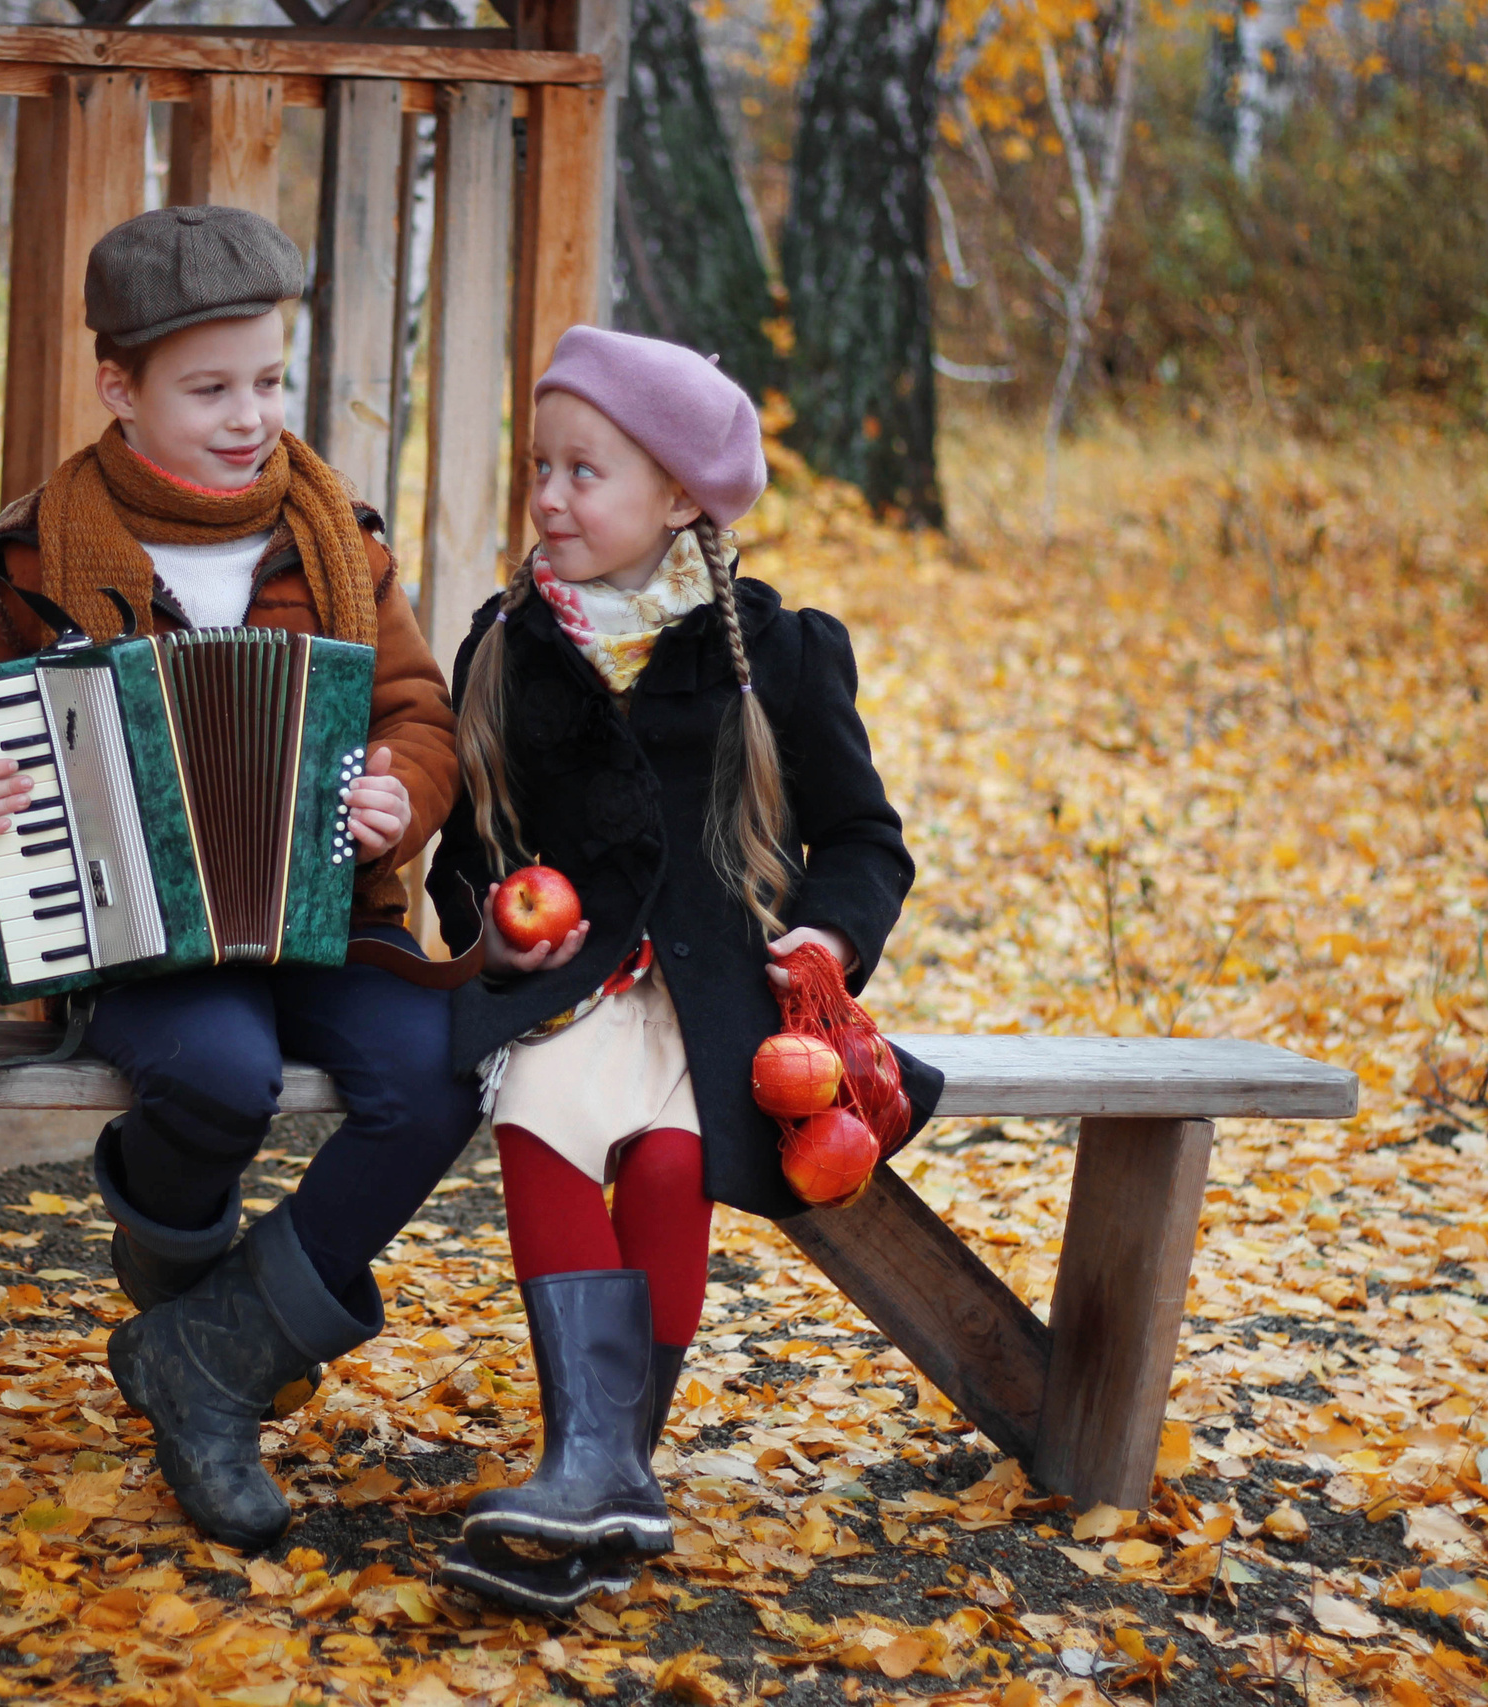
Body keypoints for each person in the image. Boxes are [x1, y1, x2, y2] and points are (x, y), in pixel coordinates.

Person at [0, 205, 482, 1551]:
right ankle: (194, 1305)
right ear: (121, 387)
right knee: (219, 1075)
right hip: (136, 934)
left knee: (438, 1069)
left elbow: (421, 721)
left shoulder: (342, 541)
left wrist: (398, 797)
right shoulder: (35, 562)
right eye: (209, 388)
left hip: (332, 919)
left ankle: (206, 1355)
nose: (249, 415)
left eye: (268, 381)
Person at [426, 326, 943, 1614]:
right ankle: (596, 1474)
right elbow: (468, 849)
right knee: (543, 1124)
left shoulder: (777, 652)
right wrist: (495, 927)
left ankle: (607, 1476)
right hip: (575, 989)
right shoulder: (507, 643)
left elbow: (866, 840)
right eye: (540, 466)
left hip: (725, 996)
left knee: (669, 1162)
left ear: (676, 499)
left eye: (584, 471)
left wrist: (826, 936)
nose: (548, 496)